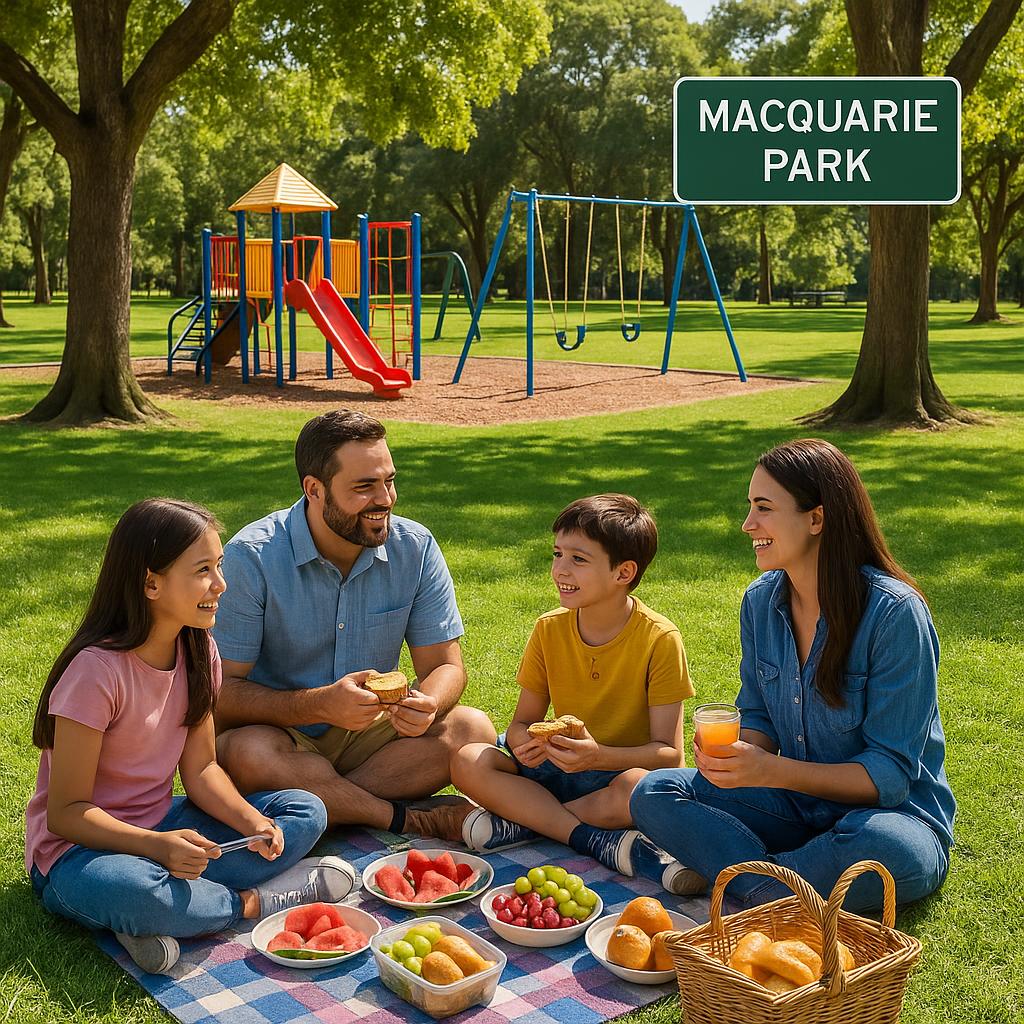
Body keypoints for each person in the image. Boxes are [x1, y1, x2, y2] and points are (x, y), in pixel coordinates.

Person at [25, 499, 352, 977]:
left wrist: (250, 822)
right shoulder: (95, 674)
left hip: (164, 824)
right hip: (78, 853)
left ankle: (167, 913)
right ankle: (246, 903)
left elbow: (200, 770)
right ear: (150, 582)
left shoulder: (199, 652)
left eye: (219, 567)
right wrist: (158, 849)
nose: (220, 585)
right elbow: (67, 813)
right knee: (138, 892)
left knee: (305, 811)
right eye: (203, 571)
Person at [630, 439, 956, 912]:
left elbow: (890, 776)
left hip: (890, 819)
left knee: (891, 850)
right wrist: (739, 758)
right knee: (655, 791)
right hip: (797, 808)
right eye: (750, 507)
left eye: (764, 508)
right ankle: (788, 886)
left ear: (816, 519)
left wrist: (772, 770)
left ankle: (751, 882)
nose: (748, 525)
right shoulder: (760, 601)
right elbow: (758, 714)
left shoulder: (895, 614)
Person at [213, 410, 495, 841]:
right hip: (282, 737)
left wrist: (429, 704)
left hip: (374, 740)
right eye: (364, 486)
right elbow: (220, 693)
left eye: (389, 480)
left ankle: (319, 809)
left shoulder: (415, 548)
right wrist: (318, 704)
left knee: (473, 730)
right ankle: (404, 818)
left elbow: (447, 666)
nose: (384, 499)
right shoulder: (251, 557)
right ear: (314, 489)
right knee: (247, 752)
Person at [451, 494, 701, 893]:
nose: (559, 569)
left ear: (624, 572)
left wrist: (597, 756)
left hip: (614, 779)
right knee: (467, 759)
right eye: (557, 554)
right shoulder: (549, 629)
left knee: (641, 788)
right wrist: (524, 742)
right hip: (555, 768)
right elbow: (520, 724)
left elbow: (668, 756)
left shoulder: (660, 639)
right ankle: (590, 838)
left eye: (578, 560)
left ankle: (527, 823)